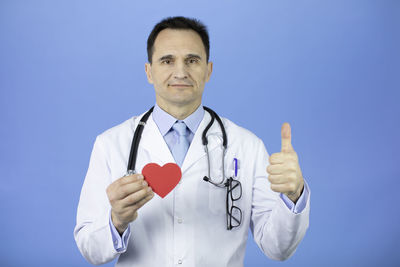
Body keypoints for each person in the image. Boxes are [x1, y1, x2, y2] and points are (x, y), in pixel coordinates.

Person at [74, 16, 310, 267]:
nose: (180, 72)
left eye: (192, 60)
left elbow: (278, 248)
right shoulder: (111, 144)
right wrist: (117, 220)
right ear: (149, 72)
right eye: (167, 60)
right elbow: (90, 249)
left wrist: (294, 196)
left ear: (208, 70)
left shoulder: (247, 145)